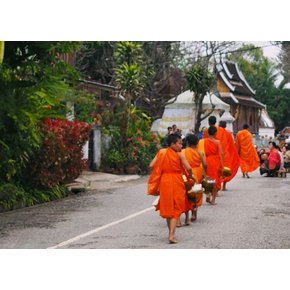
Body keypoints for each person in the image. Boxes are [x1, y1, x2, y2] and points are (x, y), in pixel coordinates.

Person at [147, 133, 194, 244]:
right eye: (179, 143)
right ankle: (172, 236)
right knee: (177, 208)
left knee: (168, 207)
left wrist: (160, 172)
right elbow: (189, 168)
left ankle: (170, 233)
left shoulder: (161, 152)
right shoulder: (180, 155)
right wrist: (191, 176)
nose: (181, 146)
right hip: (176, 180)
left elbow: (151, 166)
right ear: (172, 144)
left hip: (165, 181)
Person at [182, 134, 207, 222]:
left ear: (188, 142)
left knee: (188, 192)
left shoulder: (184, 151)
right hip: (198, 172)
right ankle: (194, 212)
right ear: (197, 142)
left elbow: (181, 163)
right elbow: (205, 164)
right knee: (196, 191)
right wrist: (205, 173)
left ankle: (189, 212)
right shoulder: (200, 152)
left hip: (188, 172)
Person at [199, 126, 224, 205]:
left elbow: (200, 152)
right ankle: (213, 200)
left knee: (207, 179)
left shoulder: (203, 141)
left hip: (206, 160)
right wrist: (222, 164)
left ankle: (207, 195)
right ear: (216, 133)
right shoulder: (217, 142)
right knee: (214, 181)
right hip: (215, 162)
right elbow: (221, 154)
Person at [218, 121, 240, 190]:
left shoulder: (216, 132)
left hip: (217, 154)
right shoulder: (228, 133)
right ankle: (224, 186)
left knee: (217, 171)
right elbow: (231, 145)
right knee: (226, 170)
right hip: (226, 155)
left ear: (219, 125)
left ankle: (217, 186)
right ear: (225, 126)